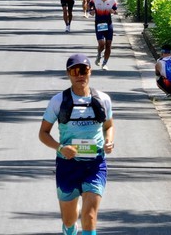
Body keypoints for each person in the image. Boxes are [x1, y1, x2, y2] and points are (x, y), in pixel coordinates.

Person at [39, 54, 115, 235]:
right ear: (68, 74)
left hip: (94, 164)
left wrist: (109, 140)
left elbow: (109, 125)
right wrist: (60, 148)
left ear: (90, 72)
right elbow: (43, 133)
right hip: (67, 165)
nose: (80, 75)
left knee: (89, 216)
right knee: (69, 219)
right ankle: (69, 229)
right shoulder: (58, 101)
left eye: (84, 70)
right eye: (75, 71)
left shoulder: (103, 99)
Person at [88, 0, 117, 71]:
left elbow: (115, 11)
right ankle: (99, 55)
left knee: (108, 44)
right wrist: (91, 12)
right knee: (101, 44)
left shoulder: (112, 0)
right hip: (99, 24)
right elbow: (90, 8)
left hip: (108, 24)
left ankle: (104, 63)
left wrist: (113, 12)